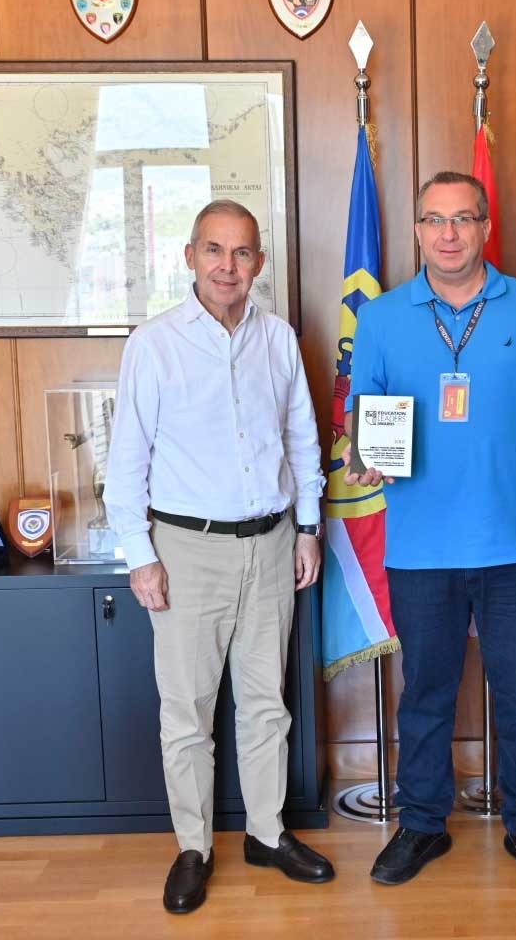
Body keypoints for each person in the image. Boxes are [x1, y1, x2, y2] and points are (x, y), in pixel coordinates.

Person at [344, 171, 516, 888]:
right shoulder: (382, 317)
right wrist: (364, 458)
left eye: (462, 218)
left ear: (485, 227)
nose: (447, 234)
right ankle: (422, 824)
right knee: (426, 694)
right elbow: (363, 418)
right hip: (421, 547)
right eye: (434, 220)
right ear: (417, 231)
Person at [105, 199, 332, 915]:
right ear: (190, 257)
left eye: (241, 253)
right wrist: (140, 556)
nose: (227, 266)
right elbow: (126, 461)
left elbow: (302, 439)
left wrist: (307, 528)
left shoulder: (278, 338)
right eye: (214, 250)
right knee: (188, 710)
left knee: (267, 703)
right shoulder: (154, 345)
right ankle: (193, 848)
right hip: (185, 550)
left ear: (259, 263)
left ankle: (266, 833)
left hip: (271, 543)